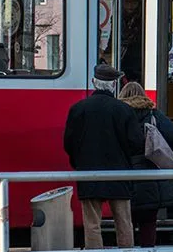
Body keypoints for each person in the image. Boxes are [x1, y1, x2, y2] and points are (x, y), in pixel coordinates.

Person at [63, 64, 144, 249]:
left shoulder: (78, 109)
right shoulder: (124, 110)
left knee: (92, 224)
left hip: (88, 172)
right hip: (119, 173)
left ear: (94, 82)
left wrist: (79, 163)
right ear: (114, 85)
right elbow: (137, 143)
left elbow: (69, 143)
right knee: (123, 222)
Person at [119, 82, 173, 247]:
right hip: (150, 177)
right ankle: (147, 249)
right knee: (148, 223)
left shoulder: (119, 113)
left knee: (125, 221)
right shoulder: (153, 113)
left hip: (125, 176)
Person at [119, 0, 144, 84]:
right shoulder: (119, 17)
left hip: (139, 64)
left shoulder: (144, 17)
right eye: (126, 2)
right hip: (123, 63)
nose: (130, 6)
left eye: (133, 2)